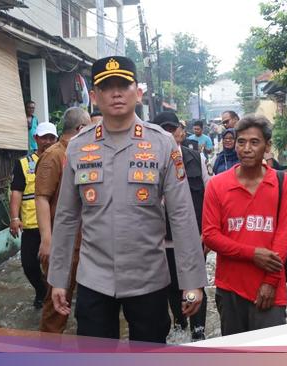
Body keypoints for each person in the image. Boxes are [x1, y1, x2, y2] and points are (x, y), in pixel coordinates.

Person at [48, 56, 207, 343]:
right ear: (94, 96)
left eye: (123, 85)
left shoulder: (162, 143)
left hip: (149, 279)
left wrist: (192, 281)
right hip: (93, 280)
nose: (116, 93)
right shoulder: (78, 148)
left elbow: (181, 214)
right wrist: (59, 279)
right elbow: (66, 217)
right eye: (107, 87)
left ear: (138, 92)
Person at [203, 114, 287, 336]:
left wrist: (271, 282)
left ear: (267, 146)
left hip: (271, 288)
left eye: (255, 142)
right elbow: (210, 235)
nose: (246, 148)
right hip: (230, 287)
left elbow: (282, 235)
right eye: (241, 142)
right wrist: (253, 254)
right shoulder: (217, 185)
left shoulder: (282, 182)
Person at [152, 111, 208, 341]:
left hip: (193, 239)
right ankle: (179, 324)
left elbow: (208, 196)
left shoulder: (197, 159)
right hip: (160, 242)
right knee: (171, 290)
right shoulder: (144, 160)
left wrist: (207, 234)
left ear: (180, 132)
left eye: (171, 128)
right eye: (162, 128)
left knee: (195, 287)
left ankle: (199, 333)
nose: (168, 133)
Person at [34, 107, 91, 333]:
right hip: (63, 242)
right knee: (56, 303)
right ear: (81, 129)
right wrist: (47, 239)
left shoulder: (84, 153)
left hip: (84, 240)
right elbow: (41, 198)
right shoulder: (54, 155)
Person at [9, 122, 58, 309]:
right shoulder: (23, 164)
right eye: (43, 137)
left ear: (56, 139)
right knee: (29, 265)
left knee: (56, 264)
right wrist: (14, 218)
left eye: (51, 138)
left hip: (55, 224)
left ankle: (55, 295)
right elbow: (16, 192)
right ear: (35, 138)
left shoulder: (62, 159)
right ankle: (42, 290)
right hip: (31, 224)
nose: (47, 141)